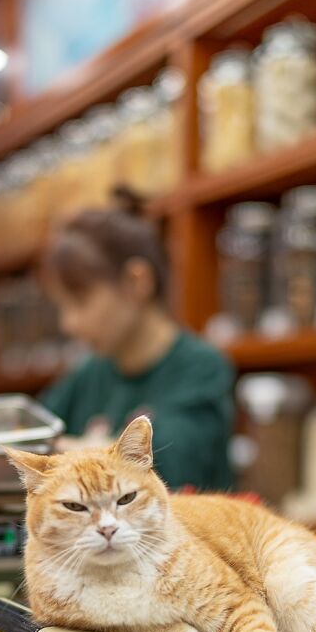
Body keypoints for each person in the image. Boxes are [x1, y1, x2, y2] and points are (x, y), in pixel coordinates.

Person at [39, 189, 233, 490]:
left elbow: (171, 465)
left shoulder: (201, 368)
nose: (69, 324)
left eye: (79, 302)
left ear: (136, 282)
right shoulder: (88, 374)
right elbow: (34, 436)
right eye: (61, 307)